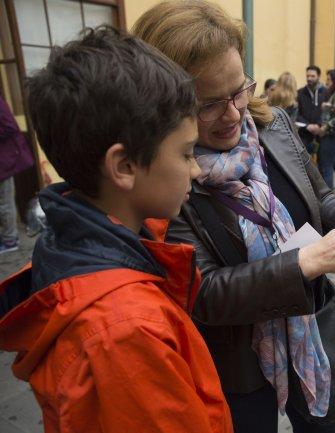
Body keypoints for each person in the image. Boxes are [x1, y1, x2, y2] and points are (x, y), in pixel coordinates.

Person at [133, 3, 335, 433]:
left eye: (238, 90)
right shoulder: (165, 172)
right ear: (163, 102)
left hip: (307, 330)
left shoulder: (271, 125)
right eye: (209, 104)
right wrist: (308, 262)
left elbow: (318, 197)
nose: (233, 113)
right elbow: (205, 293)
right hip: (237, 361)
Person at [0, 27, 233, 433]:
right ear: (124, 167)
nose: (195, 170)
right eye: (185, 153)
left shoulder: (78, 240)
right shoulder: (124, 333)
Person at [0, 95, 34, 254]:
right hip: (5, 159)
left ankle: (10, 240)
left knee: (5, 201)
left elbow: (10, 127)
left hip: (5, 160)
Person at [297, 65, 328, 155]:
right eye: (307, 76)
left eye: (312, 76)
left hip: (321, 134)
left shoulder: (326, 92)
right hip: (304, 134)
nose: (309, 78)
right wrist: (308, 126)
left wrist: (318, 125)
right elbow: (297, 113)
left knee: (322, 165)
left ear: (318, 76)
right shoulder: (300, 93)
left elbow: (327, 112)